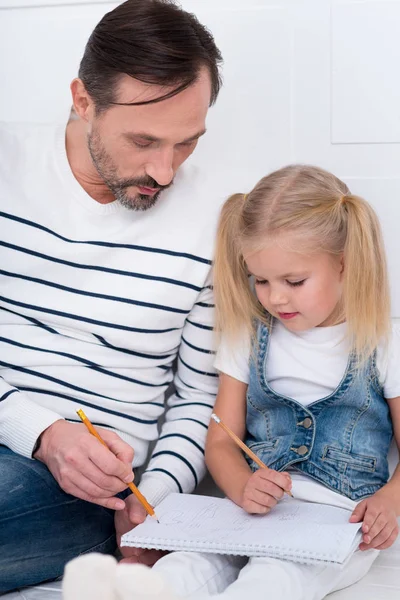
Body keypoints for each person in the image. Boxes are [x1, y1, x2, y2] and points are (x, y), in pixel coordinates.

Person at [62, 164, 400, 600]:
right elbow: (222, 440)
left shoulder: (382, 341)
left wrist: (391, 500)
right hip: (250, 512)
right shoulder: (248, 336)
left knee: (275, 578)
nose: (275, 297)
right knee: (189, 564)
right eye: (260, 280)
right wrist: (240, 486)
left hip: (340, 520)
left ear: (344, 262)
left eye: (294, 281)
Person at [0, 0, 224, 593]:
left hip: (76, 487)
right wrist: (42, 431)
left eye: (187, 143)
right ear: (83, 101)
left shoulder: (216, 223)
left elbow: (201, 396)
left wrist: (156, 498)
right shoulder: (7, 168)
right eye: (144, 140)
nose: (166, 171)